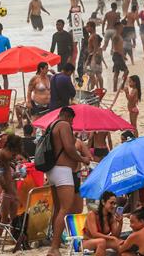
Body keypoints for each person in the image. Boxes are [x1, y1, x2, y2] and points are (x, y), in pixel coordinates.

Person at [47, 107, 89, 256]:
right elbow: (70, 149)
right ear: (67, 116)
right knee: (65, 209)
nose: (72, 123)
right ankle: (54, 247)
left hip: (52, 171)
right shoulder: (63, 125)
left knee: (58, 209)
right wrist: (83, 159)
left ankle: (55, 243)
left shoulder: (52, 125)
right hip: (62, 170)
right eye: (72, 119)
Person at [82, 190, 123, 256]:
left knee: (121, 243)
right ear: (103, 202)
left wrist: (120, 223)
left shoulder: (111, 216)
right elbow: (94, 234)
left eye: (115, 204)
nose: (113, 206)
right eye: (111, 203)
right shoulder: (92, 214)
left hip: (103, 241)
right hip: (87, 242)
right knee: (101, 242)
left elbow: (115, 235)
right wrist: (112, 238)